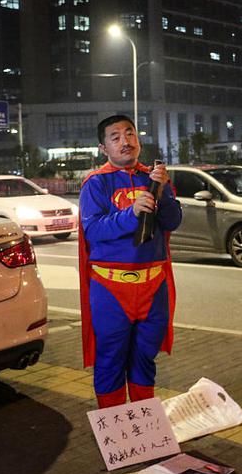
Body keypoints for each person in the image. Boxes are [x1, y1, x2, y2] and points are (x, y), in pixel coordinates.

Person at [78, 115, 182, 408]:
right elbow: (93, 231)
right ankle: (117, 435)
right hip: (111, 287)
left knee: (145, 356)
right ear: (103, 147)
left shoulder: (154, 177)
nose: (125, 141)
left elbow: (171, 222)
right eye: (115, 137)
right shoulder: (96, 183)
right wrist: (131, 213)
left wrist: (165, 194)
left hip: (153, 285)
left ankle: (144, 429)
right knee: (111, 358)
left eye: (130, 134)